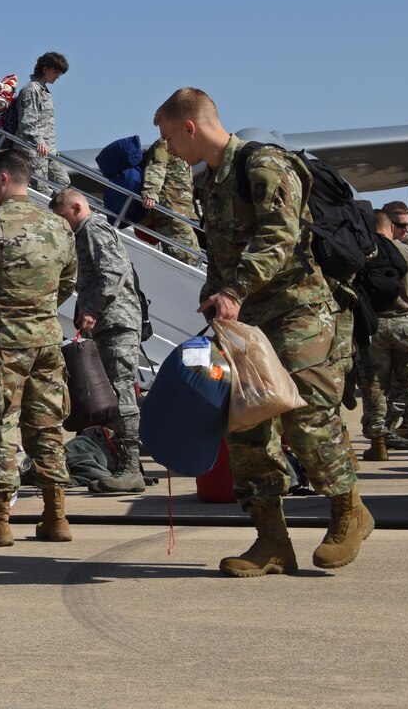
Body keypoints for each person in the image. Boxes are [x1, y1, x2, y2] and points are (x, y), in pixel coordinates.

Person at [153, 87, 369, 576]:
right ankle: (272, 540)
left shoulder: (263, 163)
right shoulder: (207, 181)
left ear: (190, 126)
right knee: (247, 427)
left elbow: (282, 235)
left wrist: (233, 288)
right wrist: (216, 302)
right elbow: (221, 253)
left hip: (299, 312)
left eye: (168, 137)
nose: (168, 149)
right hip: (248, 322)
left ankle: (348, 511)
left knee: (308, 417)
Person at [0, 150, 79, 546]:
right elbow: (68, 284)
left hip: (2, 345)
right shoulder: (60, 228)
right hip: (46, 341)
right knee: (47, 426)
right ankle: (55, 516)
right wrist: (37, 310)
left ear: (4, 178)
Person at [50, 189, 149, 494]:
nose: (60, 223)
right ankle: (126, 463)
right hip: (110, 324)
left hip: (117, 323)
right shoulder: (83, 234)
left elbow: (114, 271)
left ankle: (131, 468)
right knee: (113, 395)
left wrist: (93, 308)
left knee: (121, 393)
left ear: (77, 207)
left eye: (62, 216)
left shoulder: (94, 229)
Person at [360, 209, 408, 461]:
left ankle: (378, 444)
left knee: (374, 387)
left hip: (374, 328)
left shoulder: (361, 252)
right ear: (390, 227)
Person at [10, 52, 68, 187]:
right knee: (41, 188)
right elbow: (27, 122)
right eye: (55, 72)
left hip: (48, 150)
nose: (57, 76)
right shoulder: (31, 90)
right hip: (35, 150)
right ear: (45, 69)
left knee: (64, 184)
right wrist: (39, 141)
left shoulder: (44, 91)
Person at [139, 135, 201, 262]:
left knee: (190, 253)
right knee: (186, 255)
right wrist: (151, 192)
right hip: (171, 210)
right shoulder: (165, 143)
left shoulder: (181, 147)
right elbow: (156, 167)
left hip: (181, 210)